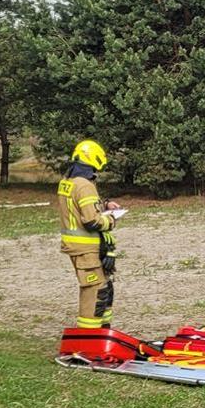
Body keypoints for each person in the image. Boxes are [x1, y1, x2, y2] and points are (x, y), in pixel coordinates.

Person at [54, 139, 121, 331]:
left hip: (80, 247)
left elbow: (82, 205)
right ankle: (88, 338)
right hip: (86, 249)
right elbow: (91, 220)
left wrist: (105, 205)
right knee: (95, 291)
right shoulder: (84, 185)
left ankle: (102, 331)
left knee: (104, 288)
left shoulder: (68, 182)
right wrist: (111, 220)